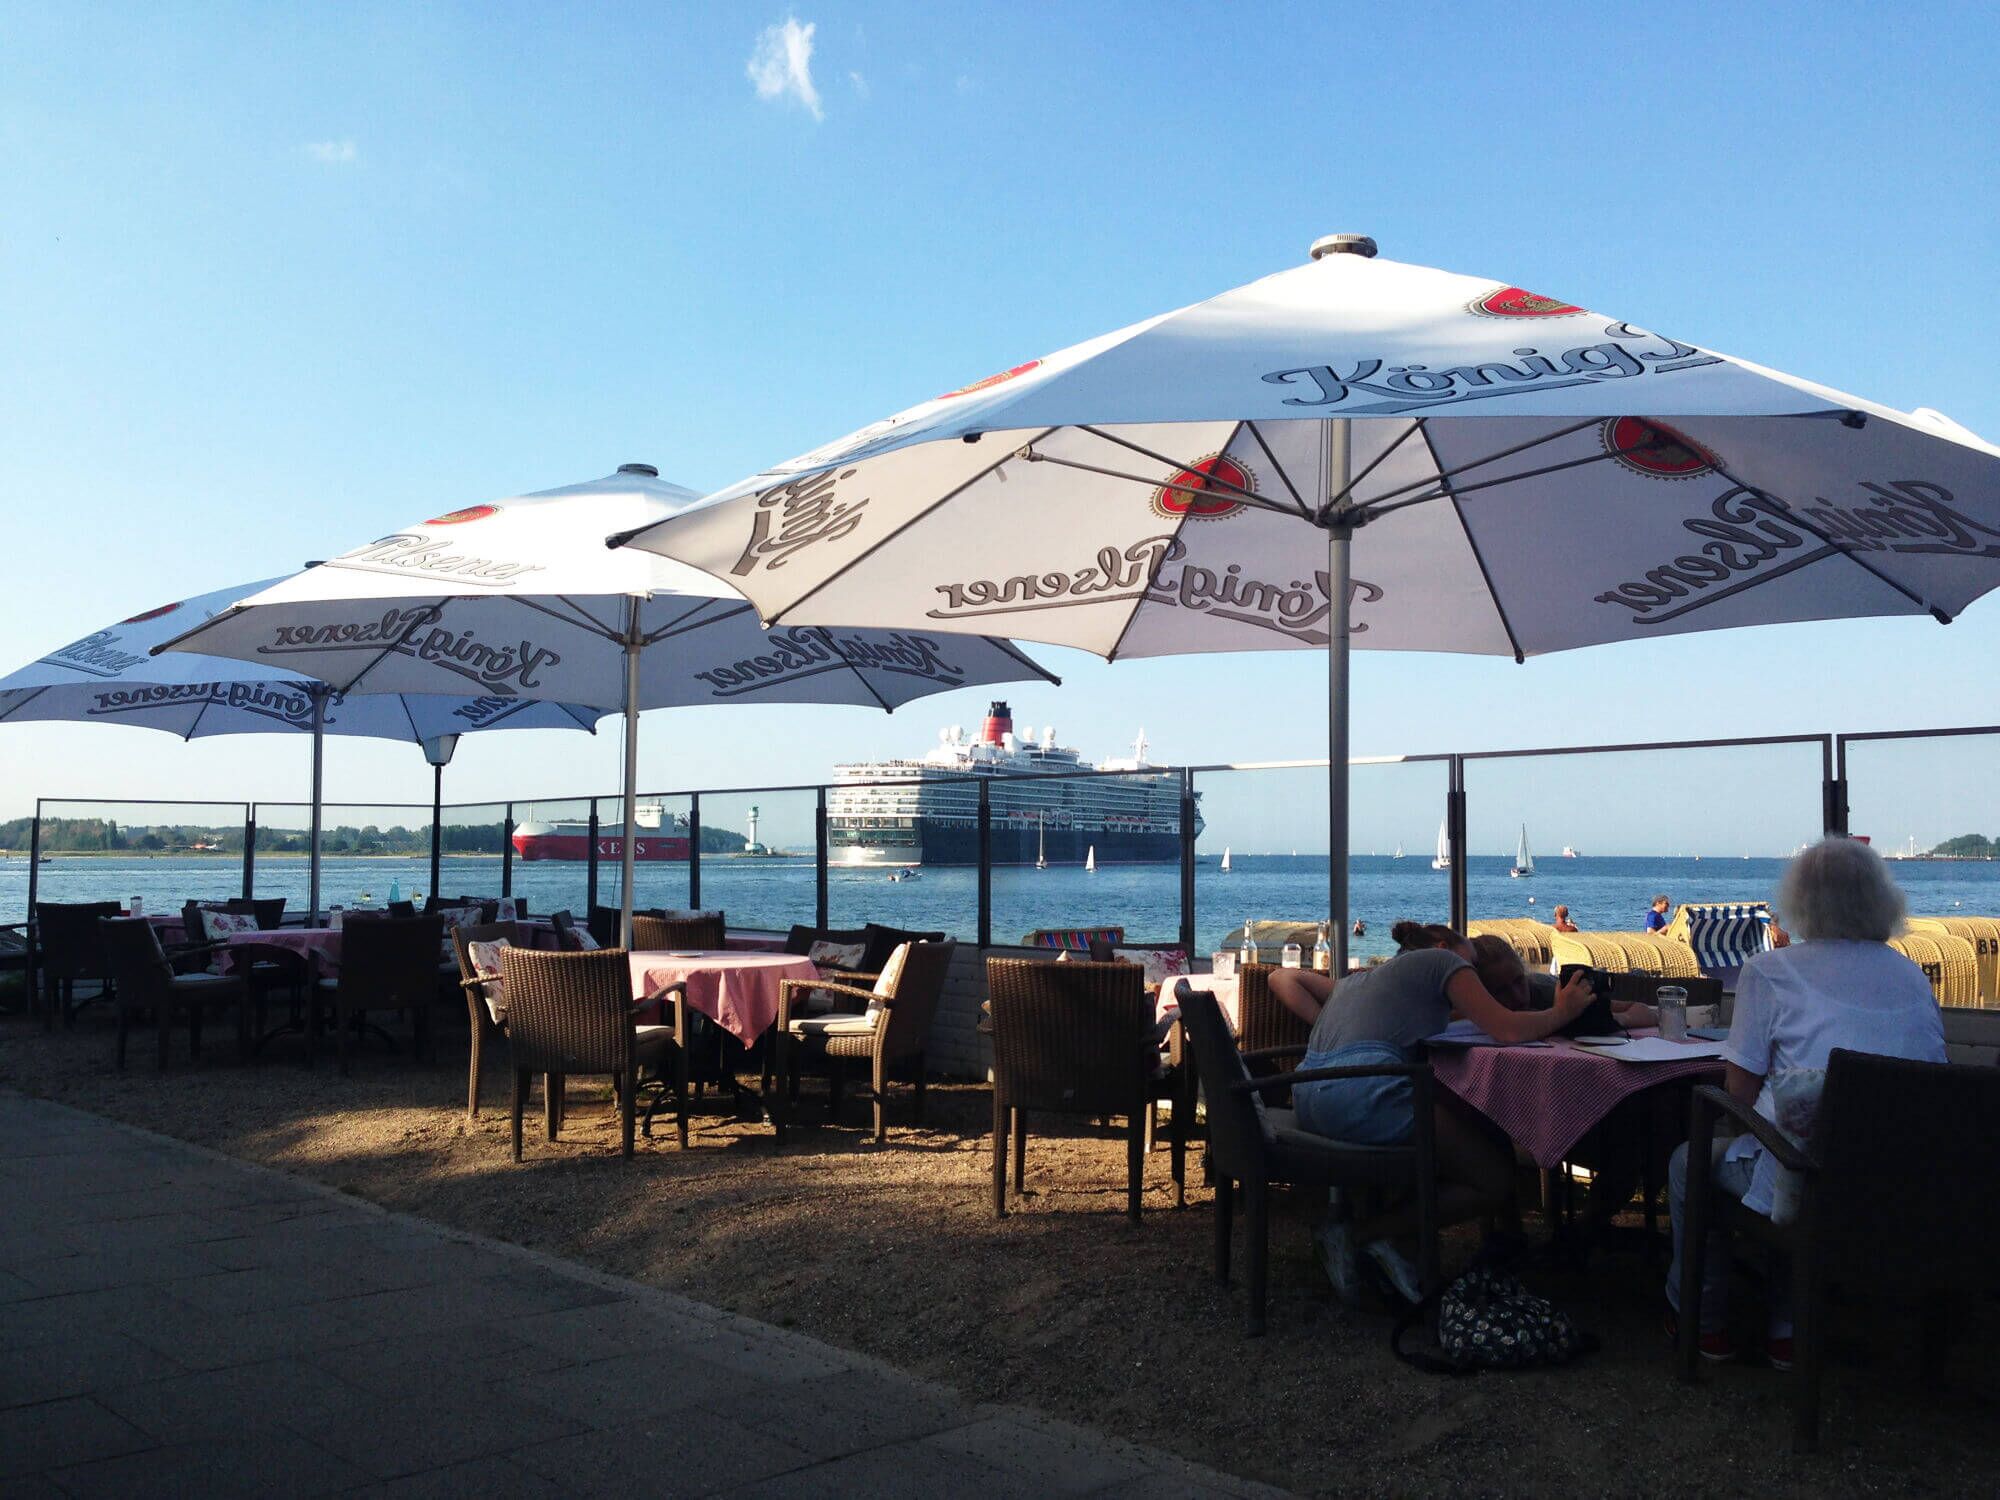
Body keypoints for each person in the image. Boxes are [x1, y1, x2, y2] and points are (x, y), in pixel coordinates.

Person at [1665, 837, 1945, 1367]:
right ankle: (1787, 1326)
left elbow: (1737, 1095)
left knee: (1694, 1161)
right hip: (1907, 1180)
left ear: (1798, 900)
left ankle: (1702, 1323)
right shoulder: (1909, 975)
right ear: (1880, 901)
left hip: (1809, 1184)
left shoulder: (1773, 972)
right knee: (1795, 1149)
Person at [1296, 920, 1596, 1304]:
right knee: (1492, 1179)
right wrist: (1563, 1012)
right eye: (1469, 968)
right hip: (1361, 1095)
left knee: (1471, 1124)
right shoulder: (1440, 960)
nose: (1469, 979)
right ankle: (1362, 1235)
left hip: (1309, 1096)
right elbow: (1505, 1030)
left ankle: (1397, 1242)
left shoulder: (1363, 980)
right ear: (1443, 946)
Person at [1268, 919, 1451, 1025]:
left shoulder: (1364, 984)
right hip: (1367, 1077)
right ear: (1442, 951)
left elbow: (1280, 977)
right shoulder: (1420, 1003)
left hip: (1313, 1077)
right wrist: (1323, 1024)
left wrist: (1323, 1024)